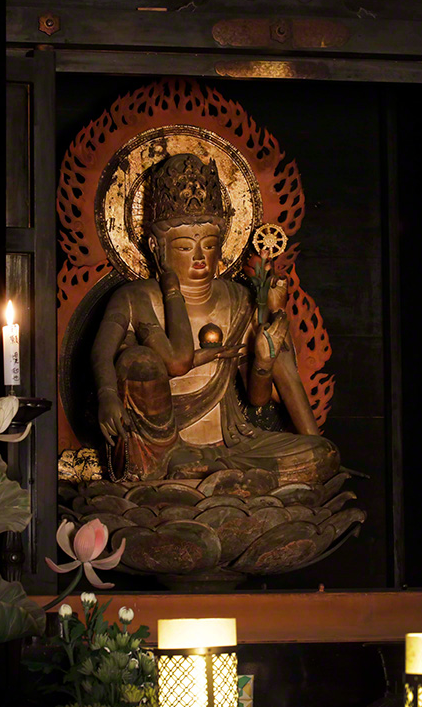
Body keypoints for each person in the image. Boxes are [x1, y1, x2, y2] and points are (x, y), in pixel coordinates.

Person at [91, 153, 339, 487]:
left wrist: (264, 363)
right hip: (161, 448)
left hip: (232, 444)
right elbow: (101, 353)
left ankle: (211, 474)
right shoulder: (136, 296)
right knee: (137, 360)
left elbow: (258, 398)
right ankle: (195, 473)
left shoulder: (239, 299)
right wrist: (107, 395)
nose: (199, 257)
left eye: (209, 245)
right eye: (184, 247)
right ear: (155, 246)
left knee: (321, 454)